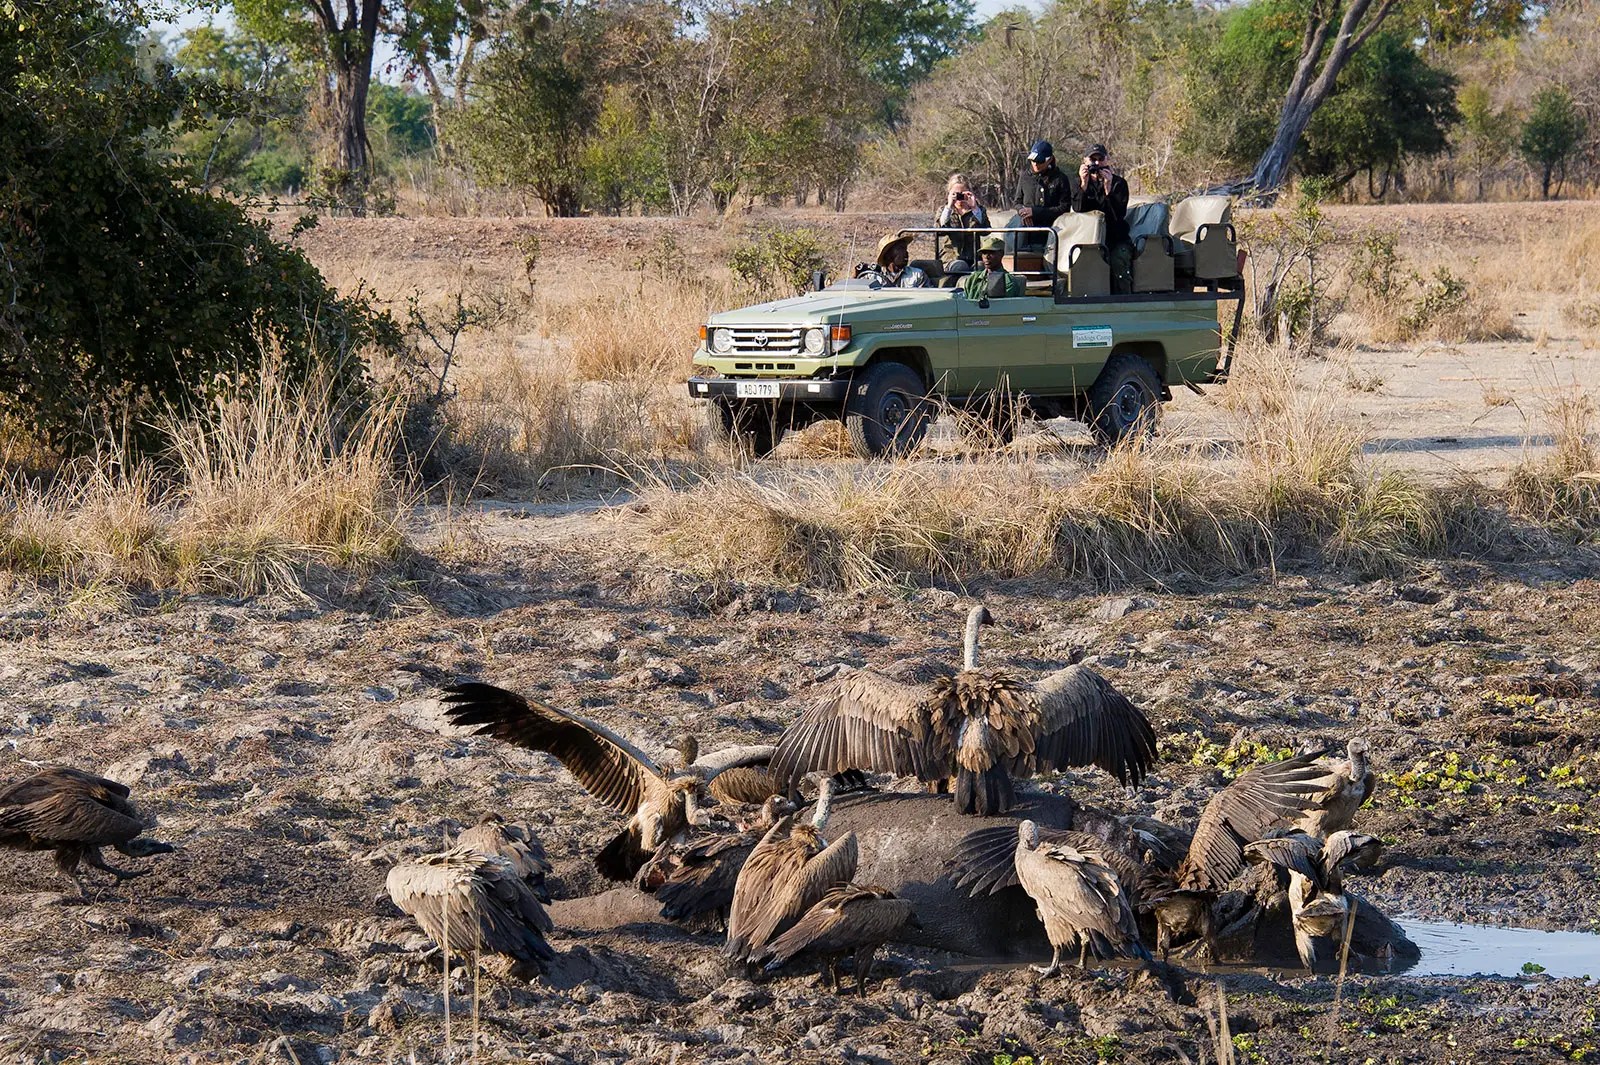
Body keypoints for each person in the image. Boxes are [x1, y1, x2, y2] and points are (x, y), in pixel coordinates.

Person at [1072, 143, 1133, 294]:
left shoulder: (1119, 183)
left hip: (1115, 238)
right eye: (1093, 159)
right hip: (1088, 239)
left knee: (1119, 260)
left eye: (1101, 159)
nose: (1097, 163)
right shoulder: (1077, 183)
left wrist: (1108, 189)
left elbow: (1118, 215)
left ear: (1107, 160)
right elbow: (1078, 210)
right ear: (1085, 161)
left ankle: (1124, 300)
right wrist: (1084, 186)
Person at [1014, 140, 1072, 253]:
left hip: (1052, 235)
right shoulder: (1025, 176)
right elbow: (1017, 202)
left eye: (1039, 161)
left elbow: (1064, 208)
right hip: (1026, 235)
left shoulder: (1060, 179)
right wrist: (1023, 212)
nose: (1035, 164)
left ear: (1049, 160)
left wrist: (1035, 212)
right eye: (1033, 160)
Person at [933, 173, 989, 272]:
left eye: (962, 193)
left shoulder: (978, 210)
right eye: (955, 193)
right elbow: (938, 231)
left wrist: (974, 208)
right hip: (951, 258)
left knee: (981, 267)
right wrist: (949, 206)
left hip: (974, 257)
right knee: (960, 266)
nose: (958, 197)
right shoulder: (943, 210)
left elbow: (986, 230)